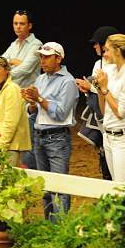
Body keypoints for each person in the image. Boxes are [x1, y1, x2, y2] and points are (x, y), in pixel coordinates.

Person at [21, 42, 78, 220]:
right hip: (40, 136)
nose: (42, 61)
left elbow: (60, 114)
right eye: (41, 57)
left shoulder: (68, 82)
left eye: (47, 57)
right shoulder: (41, 79)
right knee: (46, 187)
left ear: (58, 58)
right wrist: (31, 103)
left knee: (59, 187)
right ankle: (49, 226)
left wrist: (38, 98)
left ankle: (59, 228)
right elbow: (33, 113)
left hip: (57, 138)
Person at [94, 34, 125, 182]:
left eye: (107, 50)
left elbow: (120, 112)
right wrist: (99, 89)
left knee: (121, 186)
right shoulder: (111, 71)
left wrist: (104, 89)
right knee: (114, 185)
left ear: (118, 51)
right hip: (108, 134)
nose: (104, 54)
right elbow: (104, 110)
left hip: (122, 137)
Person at [1, 9, 43, 168]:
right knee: (12, 139)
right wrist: (13, 64)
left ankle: (31, 175)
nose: (18, 27)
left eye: (22, 24)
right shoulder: (13, 44)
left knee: (28, 143)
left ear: (30, 25)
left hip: (28, 100)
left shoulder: (36, 44)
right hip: (14, 98)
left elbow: (25, 69)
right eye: (15, 23)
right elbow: (0, 63)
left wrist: (7, 70)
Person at [75, 26, 118, 180]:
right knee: (103, 152)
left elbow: (111, 89)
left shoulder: (117, 65)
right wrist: (87, 88)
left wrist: (91, 87)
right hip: (99, 112)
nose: (94, 46)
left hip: (112, 113)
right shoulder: (97, 64)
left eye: (96, 43)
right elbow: (96, 87)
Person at [0, 55, 31, 167]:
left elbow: (11, 123)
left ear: (7, 70)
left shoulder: (12, 89)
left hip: (11, 147)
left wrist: (1, 146)